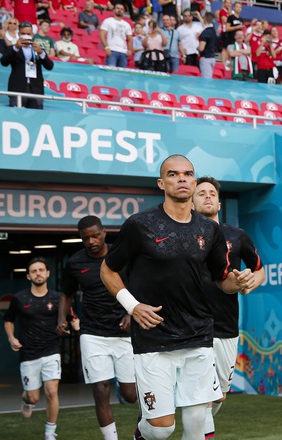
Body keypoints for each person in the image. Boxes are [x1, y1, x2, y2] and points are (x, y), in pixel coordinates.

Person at [100, 154, 254, 440]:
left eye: (187, 174)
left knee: (197, 424)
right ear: (162, 183)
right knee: (162, 430)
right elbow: (108, 270)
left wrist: (238, 281)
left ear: (194, 182)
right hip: (154, 339)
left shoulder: (210, 230)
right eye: (173, 174)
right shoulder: (139, 225)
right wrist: (133, 307)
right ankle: (141, 433)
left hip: (198, 336)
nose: (181, 178)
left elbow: (223, 280)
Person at [191, 177, 265, 439]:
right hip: (193, 324)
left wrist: (248, 284)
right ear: (192, 201)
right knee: (205, 395)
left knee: (219, 395)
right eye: (201, 193)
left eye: (212, 193)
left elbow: (259, 270)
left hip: (226, 325)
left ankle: (194, 428)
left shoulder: (237, 235)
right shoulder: (184, 235)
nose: (207, 196)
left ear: (219, 202)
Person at [58, 216, 137, 440]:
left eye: (95, 235)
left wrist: (131, 312)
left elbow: (140, 285)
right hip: (92, 334)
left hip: (123, 334)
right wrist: (61, 318)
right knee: (100, 389)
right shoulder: (75, 263)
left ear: (104, 232)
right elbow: (66, 293)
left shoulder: (121, 256)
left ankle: (143, 429)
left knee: (130, 394)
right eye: (86, 238)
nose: (91, 241)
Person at [4, 257, 68, 440]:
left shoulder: (58, 298)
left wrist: (75, 324)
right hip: (28, 354)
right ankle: (26, 401)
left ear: (48, 273)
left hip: (51, 351)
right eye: (34, 271)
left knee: (52, 391)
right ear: (28, 276)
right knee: (32, 397)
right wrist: (11, 338)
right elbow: (8, 320)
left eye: (41, 270)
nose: (38, 273)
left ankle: (50, 432)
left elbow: (71, 318)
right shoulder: (19, 298)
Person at [0, 21, 53, 109]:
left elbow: (50, 66)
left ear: (32, 34)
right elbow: (3, 62)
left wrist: (41, 53)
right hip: (18, 89)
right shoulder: (12, 49)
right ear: (19, 34)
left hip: (36, 90)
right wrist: (16, 48)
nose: (26, 36)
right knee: (17, 116)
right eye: (23, 33)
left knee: (36, 117)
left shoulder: (38, 49)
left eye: (28, 33)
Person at [197, 12, 218, 79]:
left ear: (205, 19)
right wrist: (199, 16)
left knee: (206, 79)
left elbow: (201, 48)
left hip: (206, 58)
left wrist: (196, 47)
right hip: (212, 58)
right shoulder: (213, 31)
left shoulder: (205, 32)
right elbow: (205, 25)